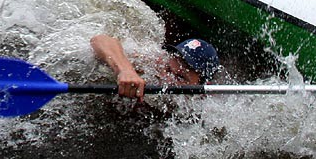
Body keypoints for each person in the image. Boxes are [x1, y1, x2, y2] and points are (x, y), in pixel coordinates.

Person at [91, 34, 220, 101]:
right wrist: (125, 70)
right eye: (168, 69)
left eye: (180, 77)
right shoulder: (151, 63)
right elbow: (100, 40)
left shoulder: (202, 113)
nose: (166, 79)